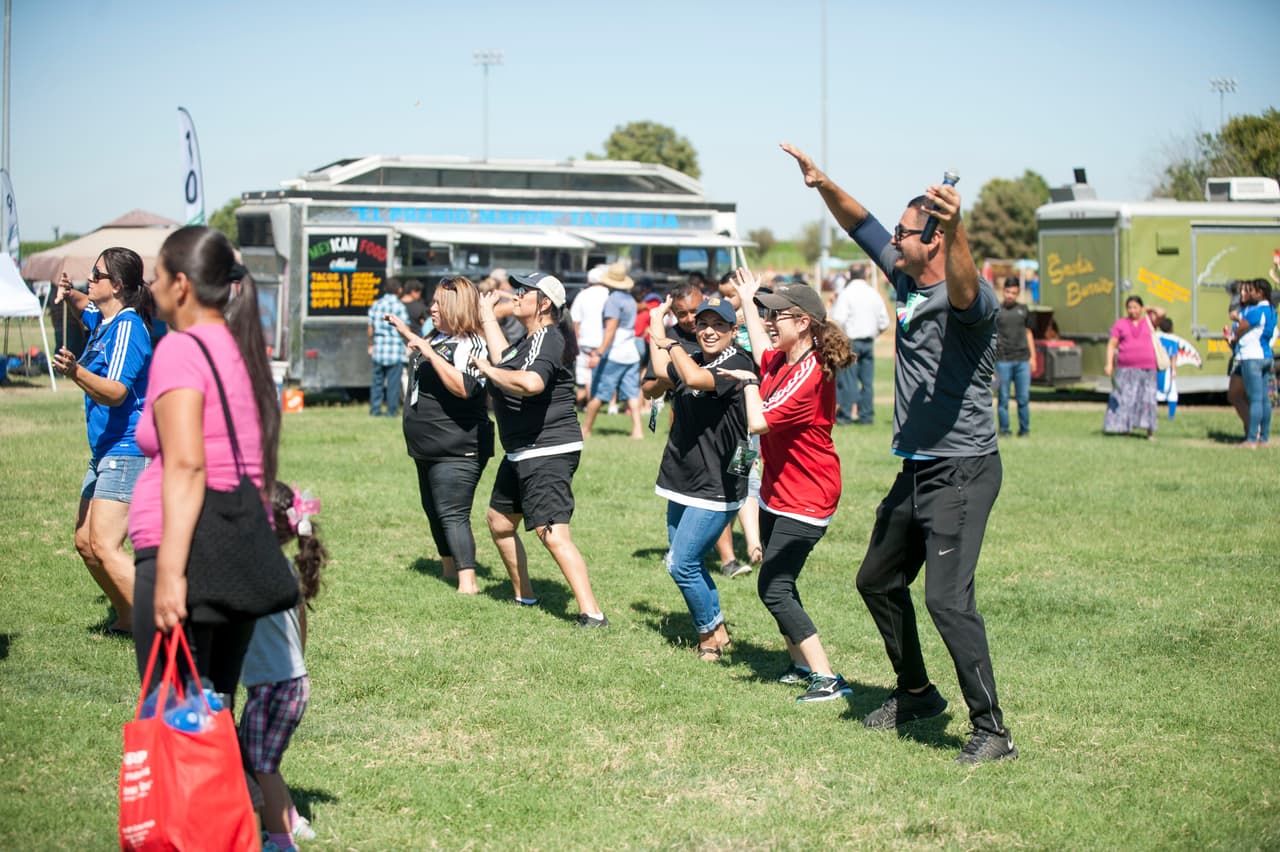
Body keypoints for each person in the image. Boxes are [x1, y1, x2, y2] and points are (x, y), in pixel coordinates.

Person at [782, 142, 1017, 762]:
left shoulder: (971, 301)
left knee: (946, 598)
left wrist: (959, 226)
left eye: (908, 233)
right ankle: (916, 693)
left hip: (962, 470)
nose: (896, 240)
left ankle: (993, 730)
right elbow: (862, 225)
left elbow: (964, 283)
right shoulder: (908, 280)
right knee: (877, 580)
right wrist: (822, 183)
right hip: (917, 468)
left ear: (934, 240)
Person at [129, 225, 281, 705]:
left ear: (181, 285)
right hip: (234, 551)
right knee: (212, 719)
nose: (150, 288)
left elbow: (188, 466)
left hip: (184, 549)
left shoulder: (180, 348)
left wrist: (171, 573)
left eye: (156, 276)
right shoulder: (238, 350)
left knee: (175, 721)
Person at [718, 269, 856, 704]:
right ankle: (800, 665)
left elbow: (758, 419)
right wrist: (745, 298)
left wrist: (745, 386)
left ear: (804, 323)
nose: (770, 321)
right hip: (782, 490)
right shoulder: (786, 359)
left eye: (779, 315)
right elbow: (762, 352)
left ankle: (828, 678)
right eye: (768, 314)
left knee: (773, 587)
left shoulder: (809, 372)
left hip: (808, 495)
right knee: (781, 581)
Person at [471, 272, 608, 627]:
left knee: (553, 532)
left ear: (543, 303)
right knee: (500, 522)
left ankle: (592, 613)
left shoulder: (548, 337)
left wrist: (486, 369)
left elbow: (531, 383)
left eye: (523, 291)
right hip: (522, 450)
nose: (515, 295)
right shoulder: (531, 340)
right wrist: (487, 316)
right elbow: (506, 360)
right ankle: (524, 596)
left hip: (546, 449)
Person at [647, 295, 756, 660]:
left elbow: (692, 377)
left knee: (681, 563)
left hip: (717, 481)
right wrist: (655, 322)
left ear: (733, 330)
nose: (709, 331)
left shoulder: (736, 362)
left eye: (718, 325)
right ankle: (718, 628)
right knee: (686, 561)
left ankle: (708, 635)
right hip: (682, 476)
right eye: (703, 324)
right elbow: (663, 372)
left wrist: (673, 341)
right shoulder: (693, 356)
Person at [51, 248, 155, 634]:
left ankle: (166, 624)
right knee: (84, 542)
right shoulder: (104, 319)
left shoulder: (128, 327)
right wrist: (71, 291)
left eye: (97, 275)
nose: (90, 280)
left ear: (119, 286)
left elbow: (114, 392)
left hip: (127, 449)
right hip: (104, 450)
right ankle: (128, 616)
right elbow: (83, 307)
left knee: (106, 546)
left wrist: (76, 372)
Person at [386, 276, 494, 593]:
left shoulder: (472, 343)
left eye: (438, 303)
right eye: (432, 302)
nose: (431, 308)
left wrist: (429, 352)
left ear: (456, 307)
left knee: (453, 513)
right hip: (426, 444)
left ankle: (468, 583)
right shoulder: (436, 337)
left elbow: (465, 388)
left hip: (457, 445)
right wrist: (410, 335)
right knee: (433, 511)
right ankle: (449, 572)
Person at [240, 481, 328, 852]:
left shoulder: (257, 572)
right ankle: (294, 822)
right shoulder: (282, 568)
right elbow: (301, 626)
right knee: (260, 758)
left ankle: (280, 841)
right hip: (288, 681)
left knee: (261, 764)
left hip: (274, 686)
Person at [583, 262, 644, 440]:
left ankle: (586, 429)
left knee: (599, 392)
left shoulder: (613, 300)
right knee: (632, 393)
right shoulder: (630, 299)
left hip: (614, 354)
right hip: (630, 352)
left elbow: (611, 328)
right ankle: (637, 430)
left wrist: (599, 351)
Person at [829, 268, 889, 425]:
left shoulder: (846, 294)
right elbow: (884, 322)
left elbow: (838, 319)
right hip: (868, 342)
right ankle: (866, 416)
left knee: (849, 380)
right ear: (865, 275)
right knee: (867, 382)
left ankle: (845, 416)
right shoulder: (874, 293)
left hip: (851, 342)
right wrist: (874, 333)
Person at [1224, 279, 1276, 448]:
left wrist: (1234, 330)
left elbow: (1241, 328)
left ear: (1260, 293)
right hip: (1266, 355)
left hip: (1252, 357)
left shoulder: (1257, 310)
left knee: (1254, 399)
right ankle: (1265, 438)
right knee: (1264, 400)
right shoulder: (1272, 310)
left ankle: (1252, 439)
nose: (1250, 293)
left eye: (1252, 290)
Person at [1104, 296, 1159, 439]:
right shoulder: (1120, 324)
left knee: (1148, 399)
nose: (1132, 310)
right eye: (1129, 307)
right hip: (1125, 369)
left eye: (1135, 307)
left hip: (1148, 368)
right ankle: (1124, 429)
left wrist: (1150, 309)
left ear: (1141, 308)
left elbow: (1161, 313)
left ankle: (1149, 431)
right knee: (1126, 399)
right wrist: (1109, 364)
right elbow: (1111, 345)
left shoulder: (1149, 321)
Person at [994, 278, 1037, 437]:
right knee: (1003, 398)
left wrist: (1032, 358)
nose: (1010, 295)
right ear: (1003, 291)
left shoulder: (1024, 310)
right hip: (1002, 361)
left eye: (1014, 292)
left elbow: (1029, 333)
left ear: (1018, 293)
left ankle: (1024, 430)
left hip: (1022, 361)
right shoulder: (996, 310)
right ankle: (1004, 430)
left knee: (1023, 398)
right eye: (1008, 292)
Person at [368, 277, 409, 417]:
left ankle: (375, 409)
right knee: (393, 384)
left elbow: (370, 329)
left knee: (377, 383)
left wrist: (370, 345)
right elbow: (404, 328)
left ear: (385, 289)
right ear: (399, 290)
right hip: (395, 350)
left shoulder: (376, 304)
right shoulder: (400, 307)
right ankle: (391, 411)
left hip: (379, 349)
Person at [570, 265, 610, 407]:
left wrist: (576, 339)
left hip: (584, 340)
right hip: (605, 341)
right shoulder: (609, 294)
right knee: (605, 375)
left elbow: (575, 320)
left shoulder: (582, 294)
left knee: (583, 377)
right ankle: (608, 405)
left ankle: (583, 404)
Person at [1155, 317, 1180, 420]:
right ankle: (1171, 416)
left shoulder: (1156, 337)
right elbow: (1173, 357)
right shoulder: (1173, 339)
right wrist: (1174, 370)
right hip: (1167, 369)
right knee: (1172, 392)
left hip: (1155, 368)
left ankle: (1152, 414)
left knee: (1153, 392)